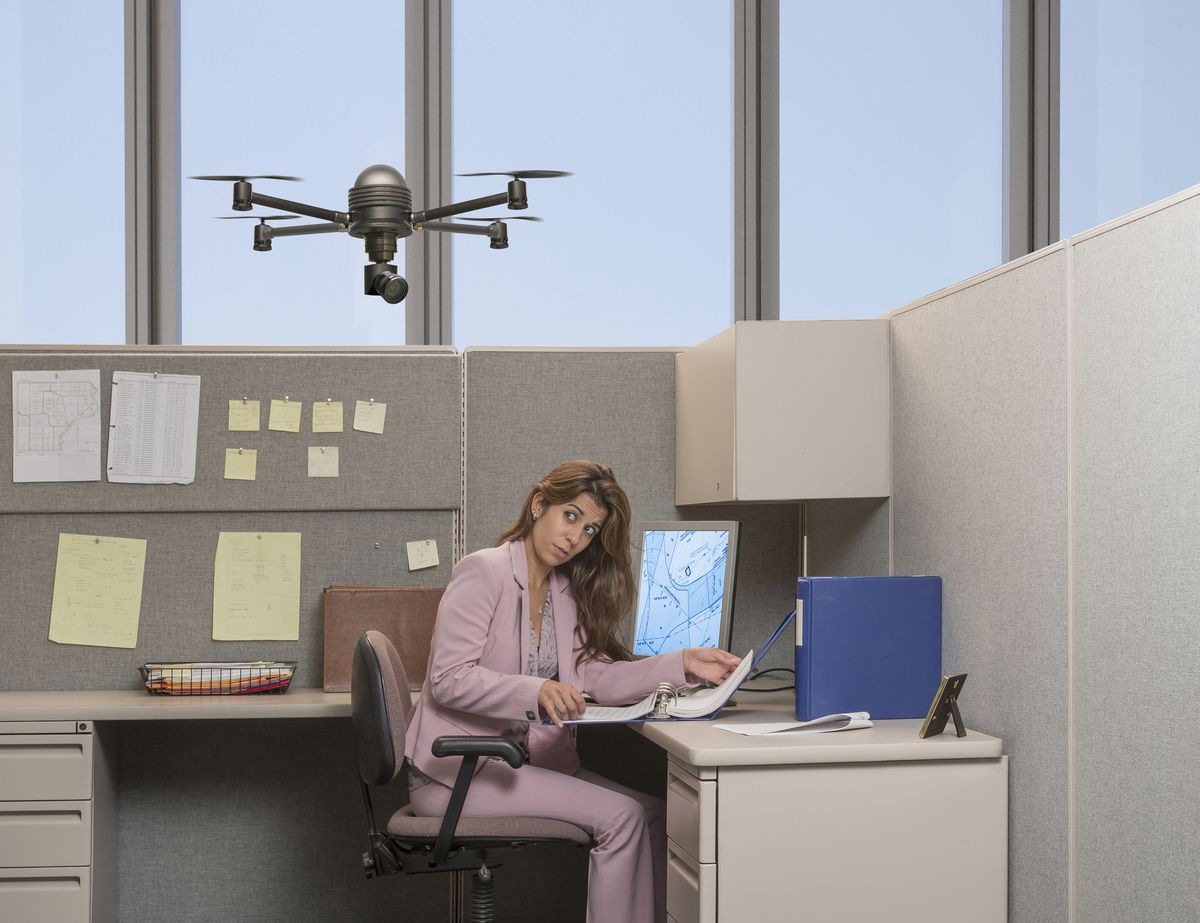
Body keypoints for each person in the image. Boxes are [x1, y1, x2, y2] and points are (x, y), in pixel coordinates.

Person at [404, 460, 741, 923]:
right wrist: (537, 689)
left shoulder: (563, 589)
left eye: (589, 529)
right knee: (621, 818)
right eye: (570, 516)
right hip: (457, 772)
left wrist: (680, 664)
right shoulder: (484, 572)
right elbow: (448, 678)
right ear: (540, 504)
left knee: (657, 815)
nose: (575, 537)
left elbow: (594, 677)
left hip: (523, 762)